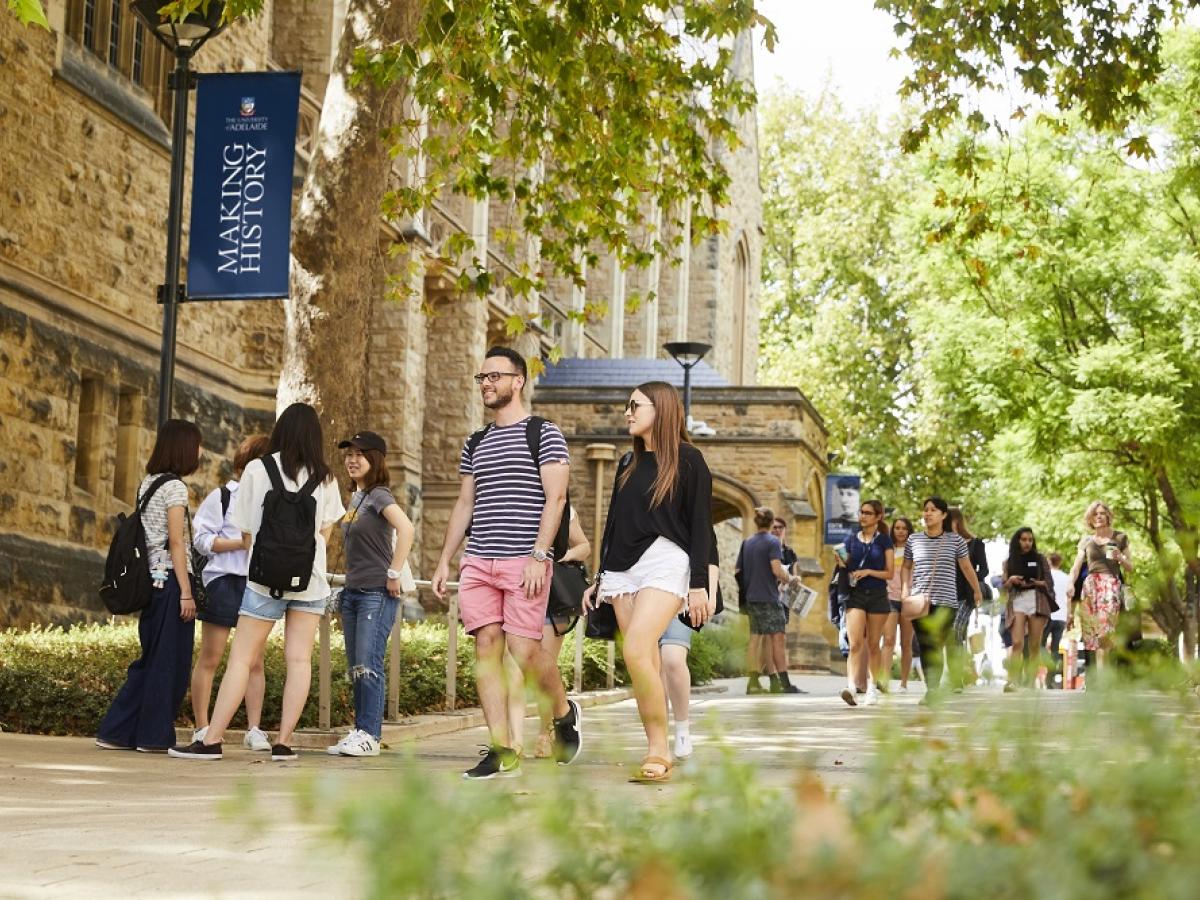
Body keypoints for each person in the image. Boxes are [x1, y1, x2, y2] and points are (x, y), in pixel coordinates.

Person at [431, 347, 581, 779]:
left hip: (524, 559)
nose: (487, 383)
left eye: (495, 376)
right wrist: (445, 560)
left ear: (518, 380)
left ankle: (563, 712)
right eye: (482, 377)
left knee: (524, 649)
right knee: (486, 647)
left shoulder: (544, 433)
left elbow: (556, 499)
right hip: (479, 559)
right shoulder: (475, 442)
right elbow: (465, 503)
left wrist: (540, 554)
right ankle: (502, 748)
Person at [169, 402, 346, 761]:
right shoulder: (326, 477)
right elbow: (325, 533)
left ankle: (212, 739)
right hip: (309, 581)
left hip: (264, 580)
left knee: (241, 660)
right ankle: (283, 743)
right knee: (299, 660)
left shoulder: (257, 469)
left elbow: (246, 529)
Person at [583, 381, 717, 783]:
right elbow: (613, 526)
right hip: (623, 567)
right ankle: (654, 741)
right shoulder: (627, 463)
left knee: (639, 648)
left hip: (666, 559)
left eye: (635, 405)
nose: (627, 412)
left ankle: (661, 748)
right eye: (627, 405)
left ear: (661, 409)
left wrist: (698, 585)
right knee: (643, 660)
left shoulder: (691, 460)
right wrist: (600, 576)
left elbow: (699, 529)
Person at [96, 420, 203, 753]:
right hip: (171, 580)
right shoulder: (175, 488)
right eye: (196, 445)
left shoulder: (149, 483)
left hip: (152, 579)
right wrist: (186, 592)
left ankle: (117, 731)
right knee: (170, 662)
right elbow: (175, 541)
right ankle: (153, 737)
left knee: (151, 658)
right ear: (185, 448)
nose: (199, 452)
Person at [325, 431, 415, 757]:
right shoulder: (357, 498)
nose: (351, 459)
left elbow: (407, 529)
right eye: (348, 454)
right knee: (356, 666)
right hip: (353, 592)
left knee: (368, 663)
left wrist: (394, 572)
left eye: (359, 454)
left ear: (374, 459)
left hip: (377, 592)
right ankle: (360, 730)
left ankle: (371, 736)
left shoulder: (379, 495)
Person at [189, 434, 272, 752]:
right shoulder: (223, 496)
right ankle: (202, 726)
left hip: (256, 583)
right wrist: (240, 543)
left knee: (255, 661)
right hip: (224, 581)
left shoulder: (270, 498)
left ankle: (254, 728)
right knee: (211, 657)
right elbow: (201, 540)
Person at [503, 506, 590, 760]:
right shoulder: (512, 500)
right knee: (513, 670)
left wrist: (559, 557)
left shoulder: (563, 509)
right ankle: (515, 741)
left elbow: (584, 546)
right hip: (517, 591)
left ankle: (546, 732)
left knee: (540, 671)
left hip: (552, 598)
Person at [900, 496, 983, 701]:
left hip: (947, 601)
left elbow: (966, 566)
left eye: (933, 510)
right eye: (925, 509)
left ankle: (935, 687)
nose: (927, 513)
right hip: (921, 601)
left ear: (943, 515)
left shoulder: (955, 541)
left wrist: (976, 590)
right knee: (927, 644)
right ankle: (932, 689)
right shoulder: (914, 540)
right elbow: (906, 567)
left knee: (937, 643)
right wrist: (904, 589)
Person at [658, 559, 719, 760]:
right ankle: (659, 739)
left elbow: (709, 554)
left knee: (672, 658)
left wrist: (709, 594)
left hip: (682, 596)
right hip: (645, 591)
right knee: (655, 668)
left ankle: (682, 729)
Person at [737, 507, 802, 695]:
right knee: (778, 640)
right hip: (769, 598)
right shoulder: (773, 542)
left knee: (754, 640)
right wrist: (791, 579)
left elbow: (738, 571)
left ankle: (754, 683)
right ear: (771, 522)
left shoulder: (747, 543)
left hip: (752, 598)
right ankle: (785, 684)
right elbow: (776, 569)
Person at [838, 499, 894, 707]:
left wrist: (869, 571)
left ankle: (872, 688)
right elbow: (847, 564)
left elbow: (890, 573)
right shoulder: (851, 539)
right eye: (861, 512)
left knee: (873, 644)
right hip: (856, 594)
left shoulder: (884, 541)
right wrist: (841, 561)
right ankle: (851, 687)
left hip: (878, 595)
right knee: (854, 644)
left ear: (878, 517)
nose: (863, 516)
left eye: (868, 513)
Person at [1066, 501, 1131, 667]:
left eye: (1102, 513)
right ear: (1090, 518)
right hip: (1090, 588)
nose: (1099, 516)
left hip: (1110, 586)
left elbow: (1130, 568)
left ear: (1108, 516)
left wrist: (1120, 558)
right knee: (1093, 637)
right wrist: (1071, 583)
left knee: (1105, 634)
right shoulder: (1086, 541)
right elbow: (1077, 565)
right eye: (1095, 514)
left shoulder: (1119, 537)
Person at [1001, 528, 1056, 691]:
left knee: (1034, 645)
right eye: (1024, 539)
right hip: (1017, 600)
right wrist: (1011, 580)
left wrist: (1037, 582)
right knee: (1017, 643)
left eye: (1030, 540)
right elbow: (1004, 588)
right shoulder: (1009, 562)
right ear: (1017, 541)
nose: (1027, 543)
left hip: (1036, 600)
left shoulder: (1040, 559)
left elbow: (1049, 582)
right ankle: (1011, 681)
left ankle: (1031, 682)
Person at [949, 507, 989, 660]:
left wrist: (970, 576)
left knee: (955, 630)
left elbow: (984, 570)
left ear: (957, 521)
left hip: (966, 594)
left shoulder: (975, 543)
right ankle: (959, 670)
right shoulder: (944, 544)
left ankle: (957, 671)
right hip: (946, 594)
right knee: (955, 633)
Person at [883, 516, 918, 692]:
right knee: (888, 640)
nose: (901, 531)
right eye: (897, 527)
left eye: (904, 528)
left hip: (909, 600)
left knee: (906, 643)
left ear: (909, 531)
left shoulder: (916, 551)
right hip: (889, 598)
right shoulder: (887, 550)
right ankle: (884, 681)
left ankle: (904, 683)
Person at [1044, 552, 1071, 688]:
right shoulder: (1067, 578)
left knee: (1040, 646)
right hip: (1061, 617)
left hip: (1047, 615)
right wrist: (1069, 616)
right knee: (1055, 649)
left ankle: (1042, 670)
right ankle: (1049, 680)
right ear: (1059, 562)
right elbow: (1069, 598)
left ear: (1049, 562)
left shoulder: (1046, 576)